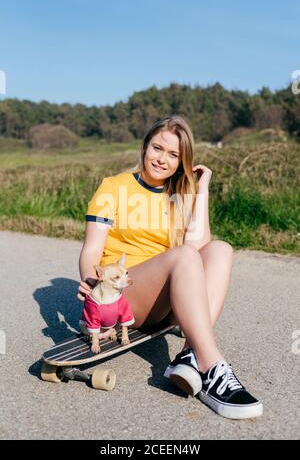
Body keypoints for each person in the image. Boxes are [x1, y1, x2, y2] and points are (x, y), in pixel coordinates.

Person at [77, 116, 263, 419]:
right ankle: (212, 365)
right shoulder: (113, 188)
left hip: (168, 301)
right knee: (184, 256)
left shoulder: (179, 194)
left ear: (182, 161)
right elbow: (91, 251)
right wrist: (92, 283)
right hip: (127, 296)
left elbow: (201, 247)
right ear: (145, 146)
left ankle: (190, 356)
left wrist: (200, 191)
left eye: (173, 155)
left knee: (220, 250)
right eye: (157, 148)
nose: (162, 159)